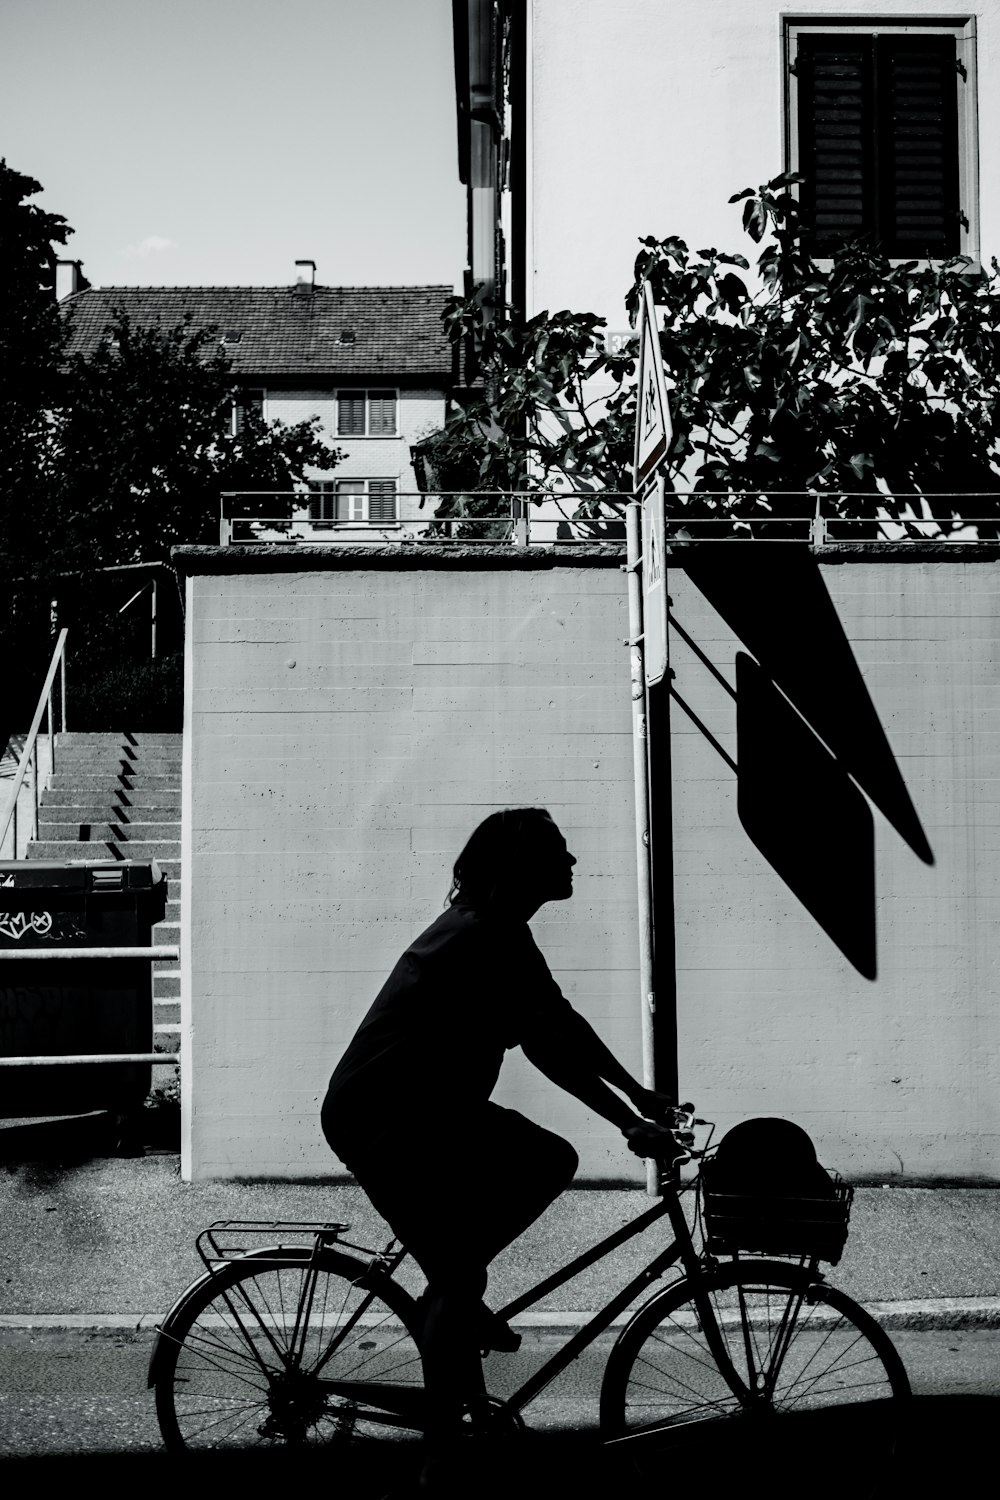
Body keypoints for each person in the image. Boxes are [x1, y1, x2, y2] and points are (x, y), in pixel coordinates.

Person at [320, 807, 676, 1484]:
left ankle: (451, 1310)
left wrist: (638, 1099)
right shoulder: (481, 937)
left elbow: (555, 1025)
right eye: (559, 854)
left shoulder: (504, 933)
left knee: (503, 1214)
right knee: (478, 1251)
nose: (572, 865)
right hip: (386, 1114)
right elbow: (546, 1039)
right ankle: (438, 1451)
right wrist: (628, 1117)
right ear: (521, 868)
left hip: (432, 1111)